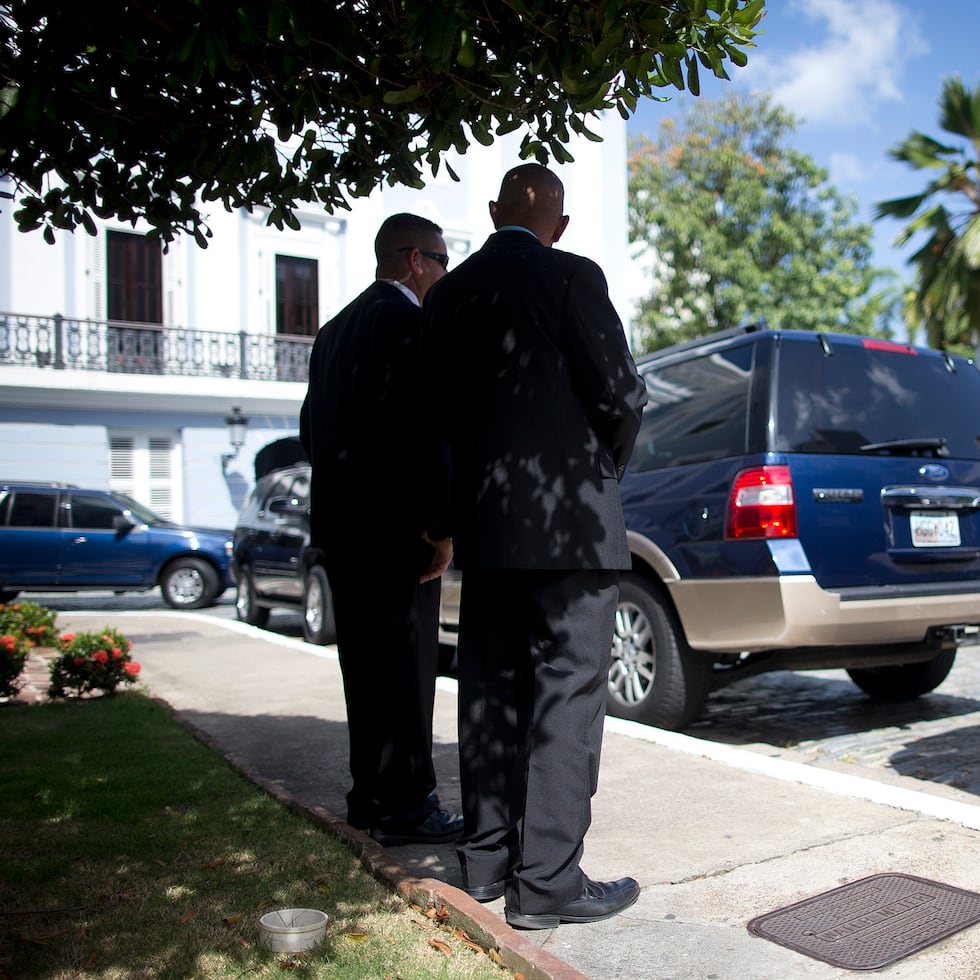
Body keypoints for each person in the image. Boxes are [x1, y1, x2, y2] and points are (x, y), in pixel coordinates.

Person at [420, 164, 648, 929]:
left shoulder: (446, 295)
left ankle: (485, 862)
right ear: (561, 222)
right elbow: (620, 394)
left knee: (489, 690)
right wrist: (600, 471)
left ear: (492, 213)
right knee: (568, 697)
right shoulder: (573, 275)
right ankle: (547, 885)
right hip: (569, 528)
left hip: (487, 530)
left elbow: (434, 421)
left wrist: (444, 520)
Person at [299, 213, 461, 846]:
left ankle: (368, 795)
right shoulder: (409, 322)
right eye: (443, 261)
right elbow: (428, 430)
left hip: (343, 528)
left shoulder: (334, 331)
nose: (445, 274)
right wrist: (441, 526)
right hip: (398, 531)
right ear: (416, 260)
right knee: (407, 669)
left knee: (362, 668)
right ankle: (407, 806)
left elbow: (313, 430)